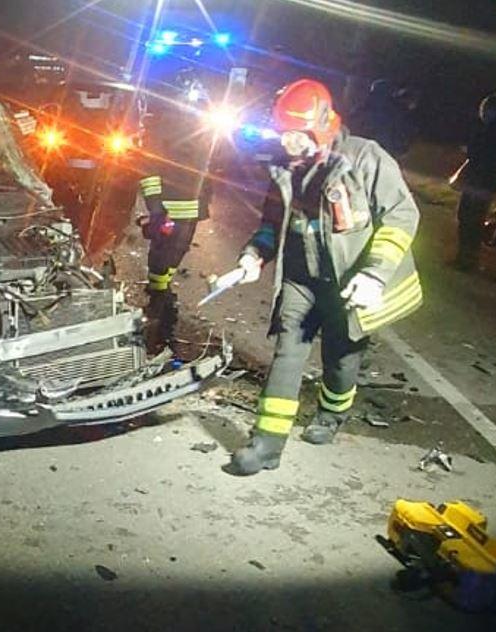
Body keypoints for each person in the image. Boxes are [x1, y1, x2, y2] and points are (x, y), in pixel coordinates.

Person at [226, 79, 423, 476]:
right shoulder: (284, 168)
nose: (288, 143)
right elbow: (271, 223)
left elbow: (403, 216)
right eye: (283, 134)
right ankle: (266, 444)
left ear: (320, 126)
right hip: (301, 277)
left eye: (296, 135)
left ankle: (332, 415)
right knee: (287, 352)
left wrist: (374, 275)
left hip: (348, 281)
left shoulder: (367, 158)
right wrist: (253, 257)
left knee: (341, 359)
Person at [136, 93, 215, 347]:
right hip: (173, 212)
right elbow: (150, 171)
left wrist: (156, 209)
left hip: (179, 212)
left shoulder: (199, 132)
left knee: (165, 260)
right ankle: (159, 305)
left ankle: (160, 299)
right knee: (163, 260)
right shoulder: (166, 130)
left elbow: (209, 170)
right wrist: (157, 209)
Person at [454, 92, 496, 271]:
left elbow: (477, 152)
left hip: (479, 180)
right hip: (489, 181)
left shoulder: (492, 131)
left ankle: (466, 258)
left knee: (468, 217)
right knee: (475, 218)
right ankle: (469, 258)